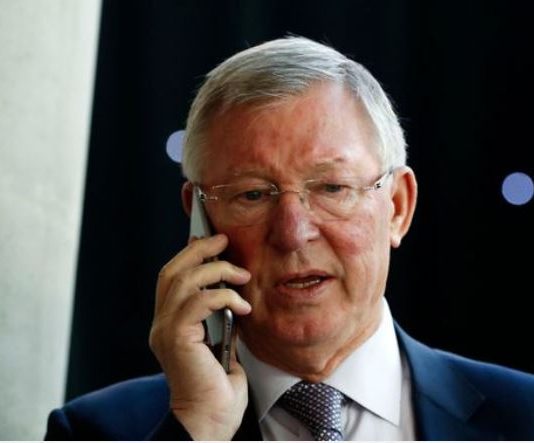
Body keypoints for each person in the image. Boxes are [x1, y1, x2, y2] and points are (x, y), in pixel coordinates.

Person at [45, 36, 534, 441]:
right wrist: (196, 427)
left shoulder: (523, 416)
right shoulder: (96, 430)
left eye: (332, 188)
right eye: (253, 194)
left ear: (398, 207)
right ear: (199, 218)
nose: (293, 233)